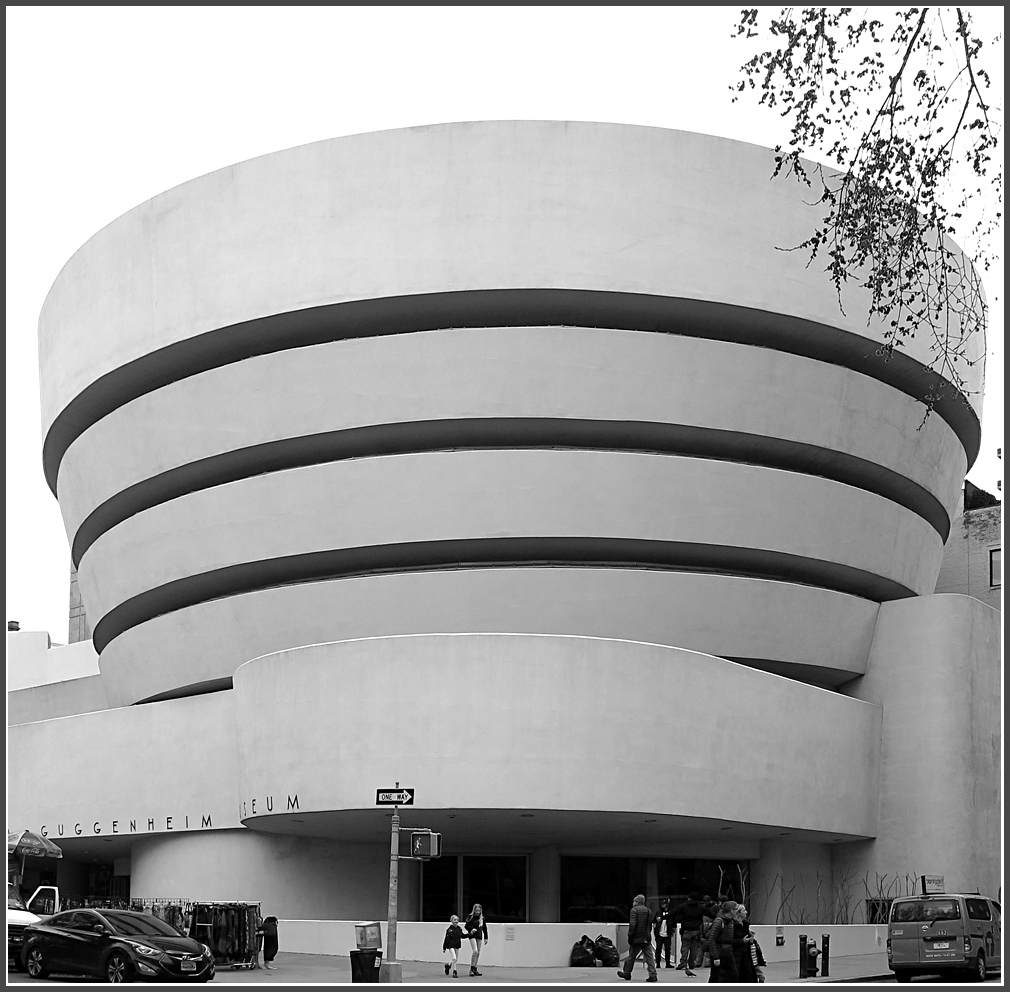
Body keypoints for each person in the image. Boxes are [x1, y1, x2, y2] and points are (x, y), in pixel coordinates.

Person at [617, 893, 658, 983]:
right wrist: (647, 936)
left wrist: (630, 936)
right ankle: (653, 974)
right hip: (646, 937)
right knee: (649, 957)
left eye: (634, 901)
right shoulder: (649, 911)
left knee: (631, 956)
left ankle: (627, 973)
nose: (633, 903)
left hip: (636, 937)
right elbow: (649, 926)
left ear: (637, 902)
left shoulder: (634, 910)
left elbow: (632, 925)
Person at [704, 901, 738, 983]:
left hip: (728, 952)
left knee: (734, 974)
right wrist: (715, 957)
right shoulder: (719, 922)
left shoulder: (730, 921)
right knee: (715, 976)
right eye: (736, 909)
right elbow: (712, 939)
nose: (737, 911)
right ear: (731, 910)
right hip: (720, 953)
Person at [673, 891, 704, 975]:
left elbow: (674, 913)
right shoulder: (700, 907)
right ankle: (691, 963)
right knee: (694, 948)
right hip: (696, 930)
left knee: (685, 947)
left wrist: (664, 917)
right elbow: (710, 913)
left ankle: (683, 962)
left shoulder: (684, 907)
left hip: (686, 930)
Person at [463, 903, 488, 977]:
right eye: (476, 910)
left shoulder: (482, 918)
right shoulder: (470, 917)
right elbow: (466, 926)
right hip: (472, 935)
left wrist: (486, 938)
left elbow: (485, 928)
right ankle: (471, 968)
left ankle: (475, 967)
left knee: (478, 953)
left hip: (479, 936)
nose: (477, 912)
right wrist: (471, 930)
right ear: (474, 910)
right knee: (475, 951)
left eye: (479, 910)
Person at [653, 898, 675, 969]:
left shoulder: (671, 913)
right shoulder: (658, 912)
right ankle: (658, 963)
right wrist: (655, 930)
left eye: (664, 904)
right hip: (659, 934)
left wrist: (672, 931)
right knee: (658, 949)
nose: (662, 905)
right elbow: (654, 921)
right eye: (662, 904)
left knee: (667, 949)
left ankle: (667, 963)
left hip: (667, 934)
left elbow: (674, 924)